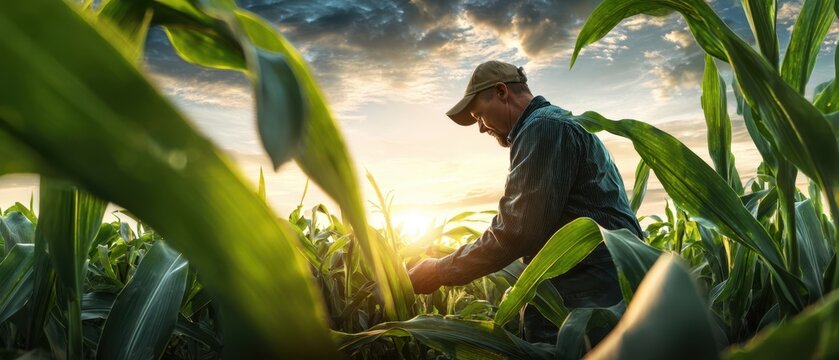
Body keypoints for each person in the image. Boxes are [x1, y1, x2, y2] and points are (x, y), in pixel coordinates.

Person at [407, 60, 643, 346]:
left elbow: (516, 232)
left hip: (581, 308)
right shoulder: (560, 123)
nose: (481, 128)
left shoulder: (542, 128)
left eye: (479, 114)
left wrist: (438, 271)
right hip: (599, 300)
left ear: (501, 91)